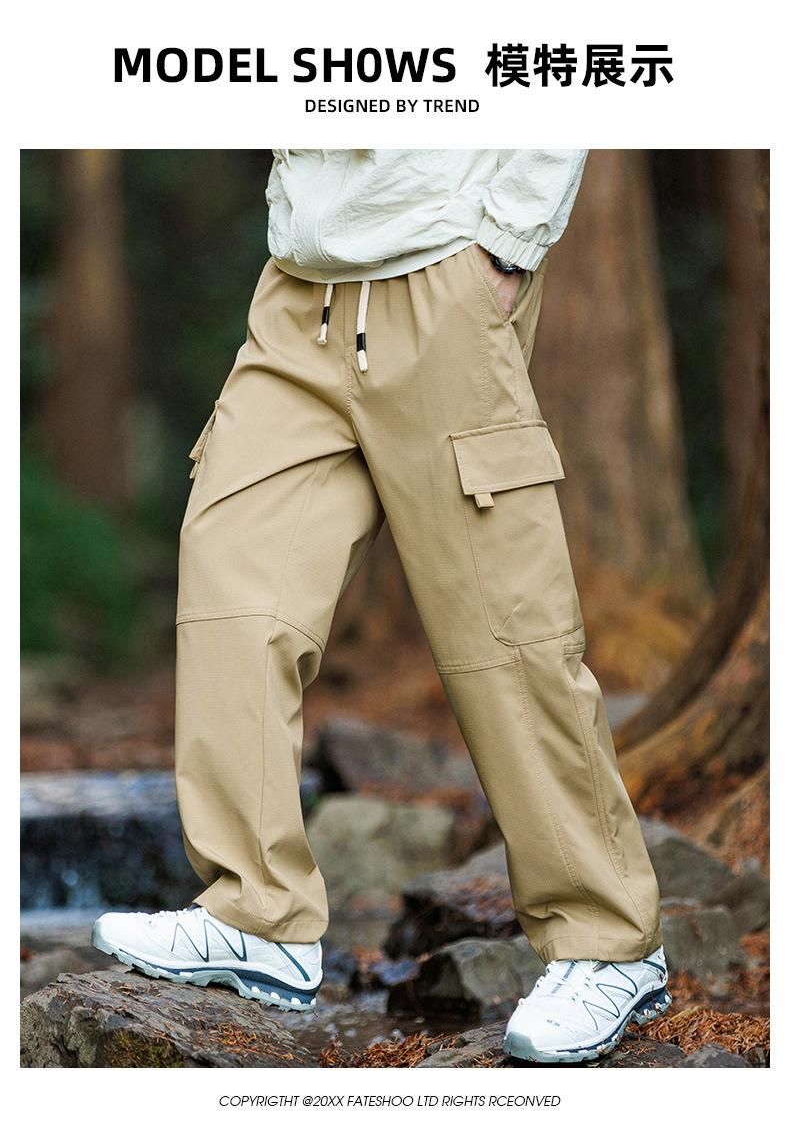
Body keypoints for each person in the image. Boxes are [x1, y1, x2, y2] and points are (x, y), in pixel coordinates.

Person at [93, 149, 671, 1064]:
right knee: (233, 582)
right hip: (299, 293)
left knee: (505, 632)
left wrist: (510, 240)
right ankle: (257, 910)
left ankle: (608, 941)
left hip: (444, 277)